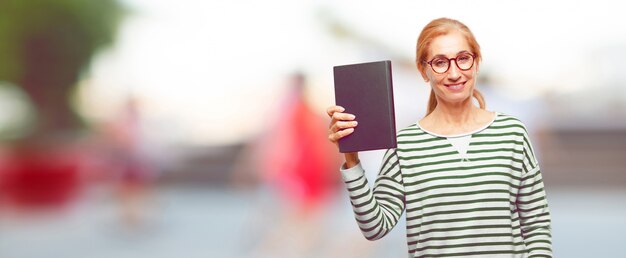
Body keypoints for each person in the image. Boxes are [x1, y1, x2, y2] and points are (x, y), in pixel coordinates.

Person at [326, 18, 552, 257]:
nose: (454, 73)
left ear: (476, 63)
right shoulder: (405, 145)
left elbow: (536, 225)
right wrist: (351, 159)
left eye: (463, 59)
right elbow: (375, 227)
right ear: (424, 71)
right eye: (440, 62)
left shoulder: (512, 133)